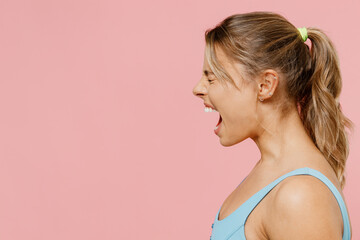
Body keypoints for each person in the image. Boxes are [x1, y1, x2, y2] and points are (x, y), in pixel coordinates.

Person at [192, 11, 353, 240]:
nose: (197, 88)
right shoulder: (269, 174)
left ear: (265, 85)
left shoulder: (300, 197)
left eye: (211, 78)